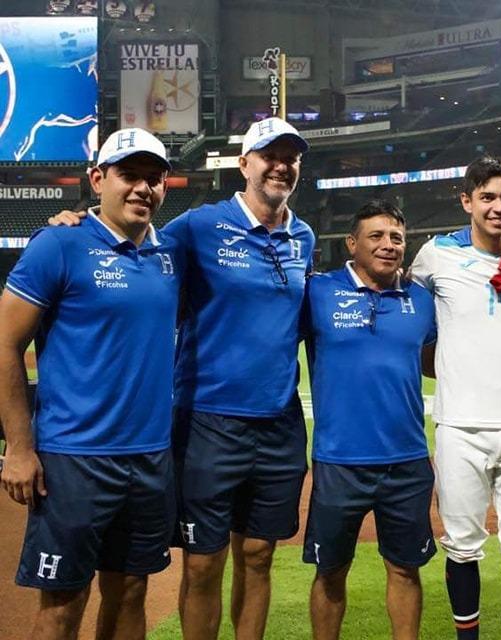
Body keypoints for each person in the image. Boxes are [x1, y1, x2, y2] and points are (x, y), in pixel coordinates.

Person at [48, 116, 315, 639]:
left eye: (291, 158)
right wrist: (78, 223)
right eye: (270, 155)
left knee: (259, 556)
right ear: (246, 164)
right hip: (207, 422)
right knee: (202, 563)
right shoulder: (199, 227)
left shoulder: (302, 237)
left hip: (278, 423)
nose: (281, 166)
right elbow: (131, 244)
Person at [0, 129, 179, 640]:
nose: (143, 188)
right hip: (74, 460)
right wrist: (18, 446)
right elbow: (4, 344)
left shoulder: (169, 257)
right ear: (98, 179)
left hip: (149, 458)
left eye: (154, 177)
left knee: (131, 592)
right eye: (129, 175)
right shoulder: (59, 243)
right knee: (63, 602)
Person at [409, 155, 501, 640]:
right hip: (461, 427)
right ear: (467, 201)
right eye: (487, 197)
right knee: (462, 546)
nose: (498, 207)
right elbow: (410, 318)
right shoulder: (434, 255)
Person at [302, 200, 436, 640]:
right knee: (330, 572)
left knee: (404, 570)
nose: (388, 245)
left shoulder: (422, 299)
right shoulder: (318, 292)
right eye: (376, 236)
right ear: (352, 243)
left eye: (396, 237)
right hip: (340, 461)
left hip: (407, 461)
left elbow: (441, 359)